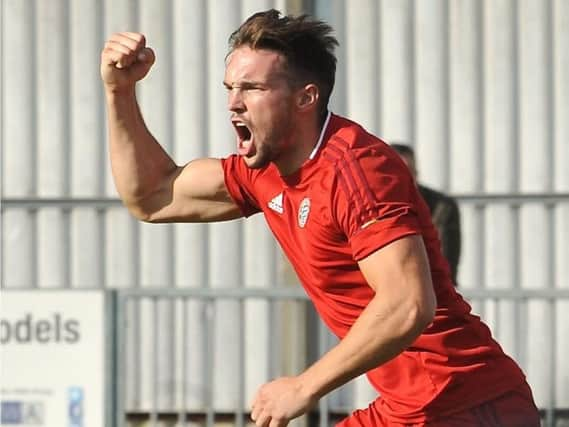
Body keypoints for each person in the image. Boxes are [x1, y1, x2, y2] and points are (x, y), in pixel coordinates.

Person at [100, 9, 539, 427]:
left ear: (305, 97)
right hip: (410, 407)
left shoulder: (358, 170)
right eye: (229, 88)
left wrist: (304, 386)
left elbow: (408, 304)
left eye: (252, 88)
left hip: (467, 405)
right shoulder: (264, 171)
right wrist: (120, 92)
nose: (234, 103)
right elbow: (152, 197)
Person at [390, 144, 461, 286]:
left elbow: (445, 258)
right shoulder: (373, 205)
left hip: (431, 288)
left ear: (416, 172)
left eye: (409, 171)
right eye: (397, 171)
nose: (404, 177)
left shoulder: (442, 206)